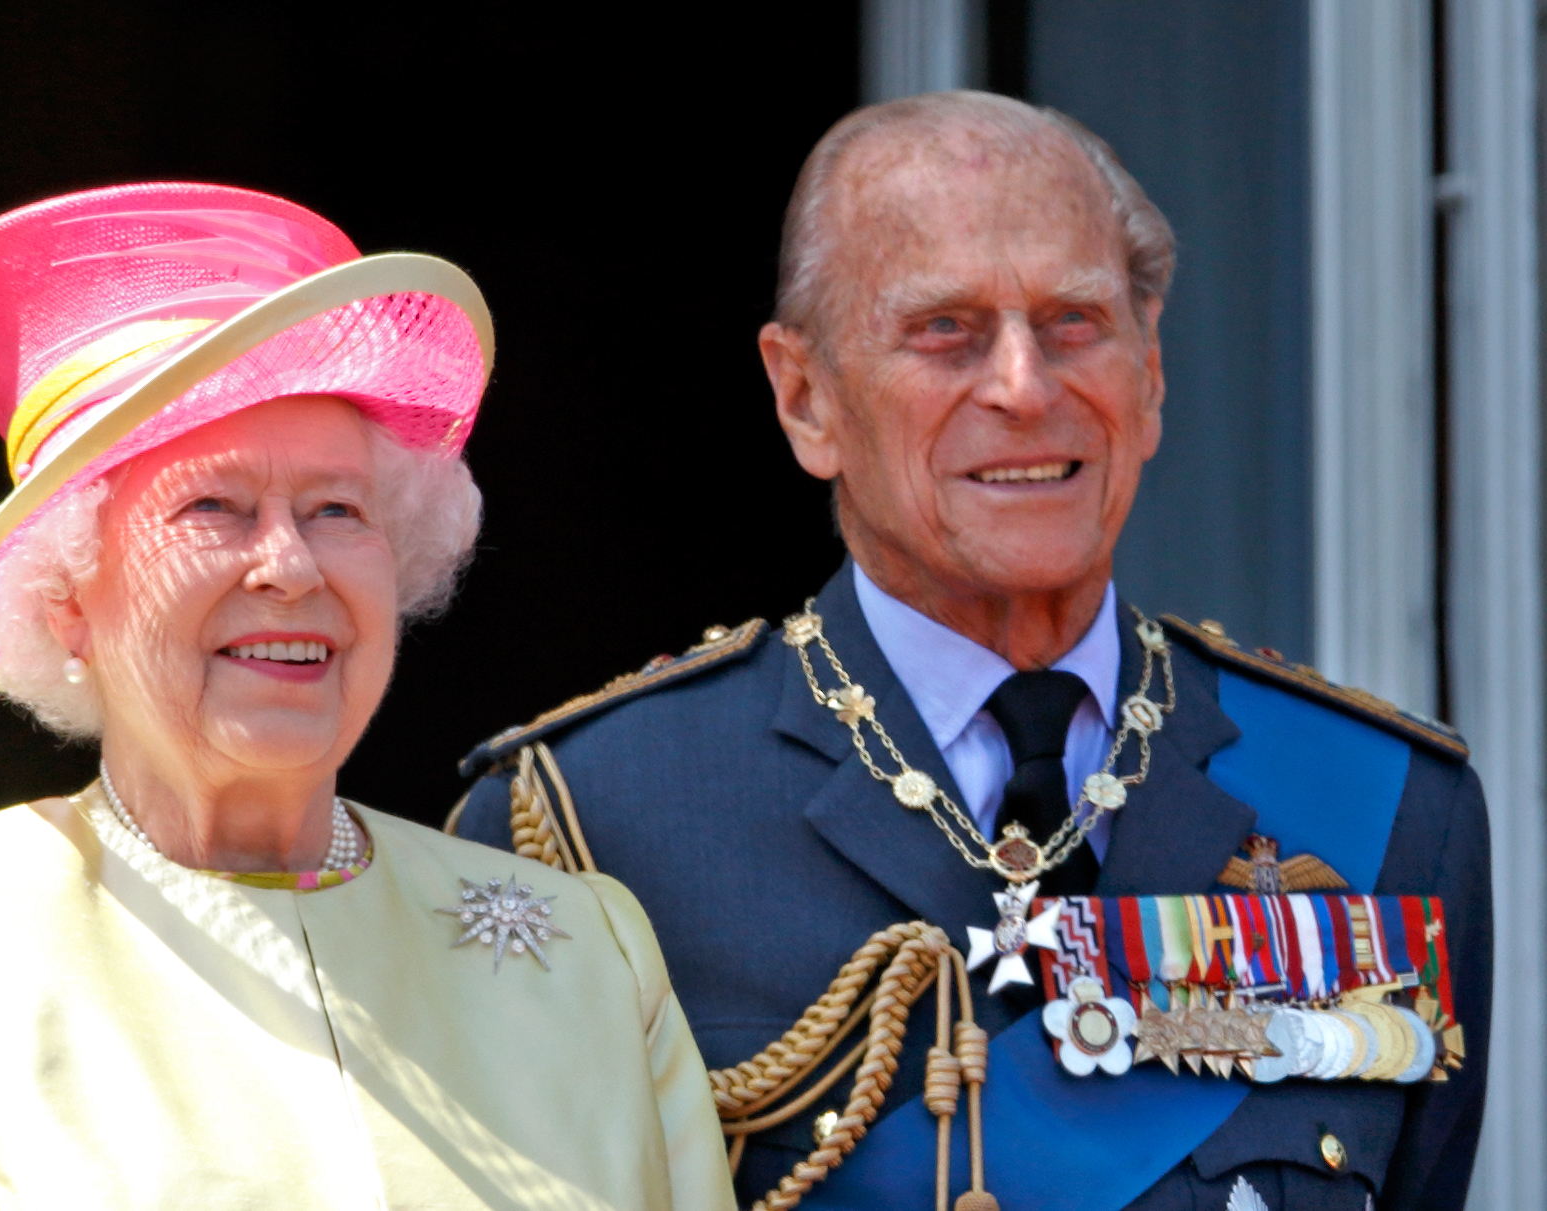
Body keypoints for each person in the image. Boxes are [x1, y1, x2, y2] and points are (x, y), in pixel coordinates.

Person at [453, 93, 1490, 1211]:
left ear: (1150, 375)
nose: (1024, 386)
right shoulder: (593, 818)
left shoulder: (1386, 808)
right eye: (944, 329)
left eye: (1075, 323)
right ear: (806, 398)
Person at [0, 182, 735, 1211]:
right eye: (214, 506)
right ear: (66, 599)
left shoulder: (589, 949)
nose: (290, 564)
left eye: (336, 509)